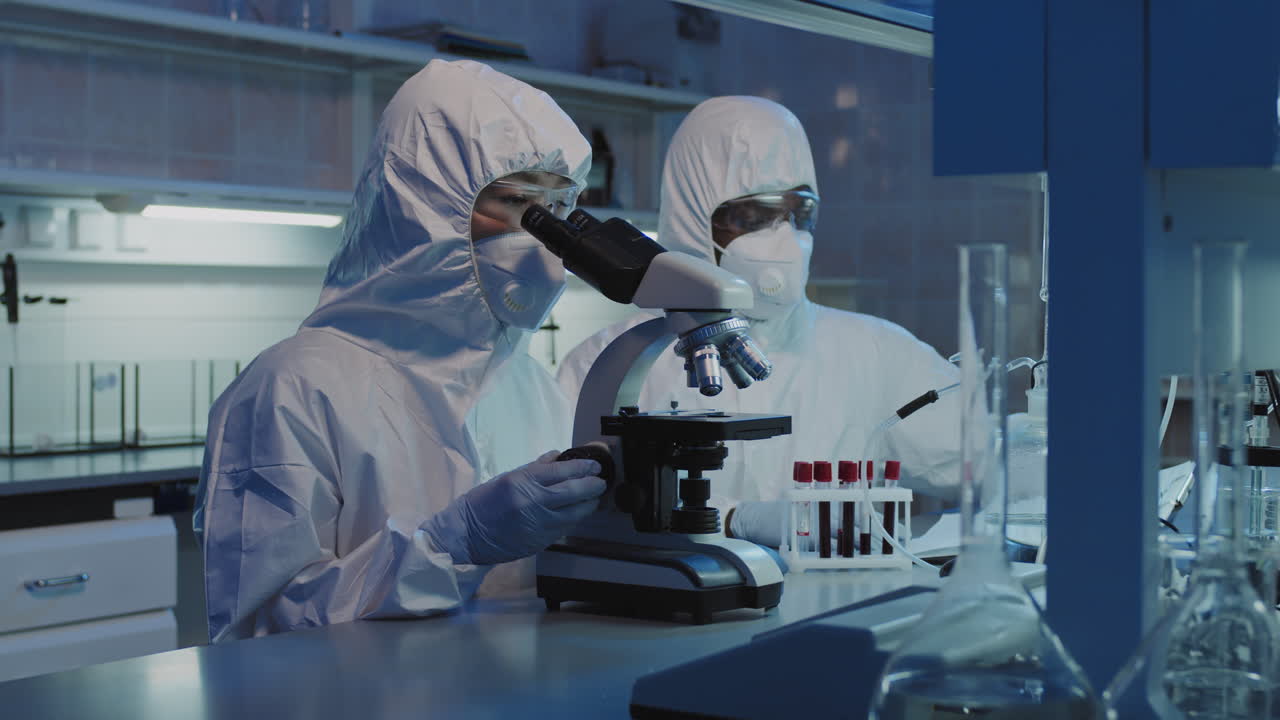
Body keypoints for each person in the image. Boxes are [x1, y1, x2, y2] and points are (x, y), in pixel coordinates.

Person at [194, 59, 606, 643]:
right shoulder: (292, 389)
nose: (545, 239)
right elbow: (258, 631)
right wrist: (450, 546)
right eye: (519, 206)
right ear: (428, 204)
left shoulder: (528, 383)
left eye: (557, 211)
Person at [557, 96, 960, 546]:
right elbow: (557, 518)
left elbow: (996, 463)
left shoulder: (878, 351)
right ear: (693, 216)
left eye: (800, 213)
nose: (785, 238)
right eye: (754, 216)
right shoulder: (602, 366)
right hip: (647, 613)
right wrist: (733, 521)